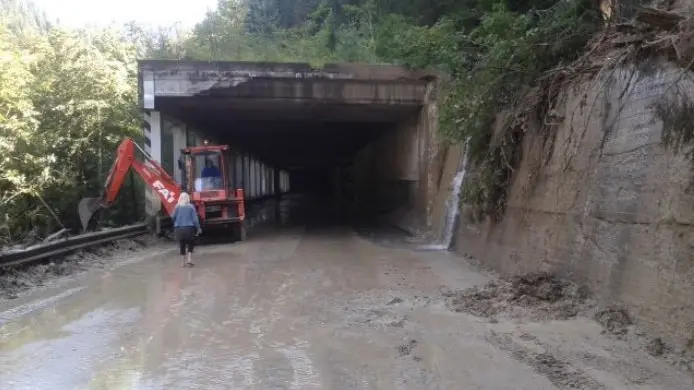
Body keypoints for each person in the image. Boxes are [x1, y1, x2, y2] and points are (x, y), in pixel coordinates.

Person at [171, 192, 202, 267]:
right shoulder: (191, 207)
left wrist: (177, 222)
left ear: (180, 199)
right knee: (191, 243)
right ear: (188, 198)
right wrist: (198, 228)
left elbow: (173, 217)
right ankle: (189, 259)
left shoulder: (177, 207)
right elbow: (195, 220)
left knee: (182, 244)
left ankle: (182, 263)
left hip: (179, 229)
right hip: (189, 229)